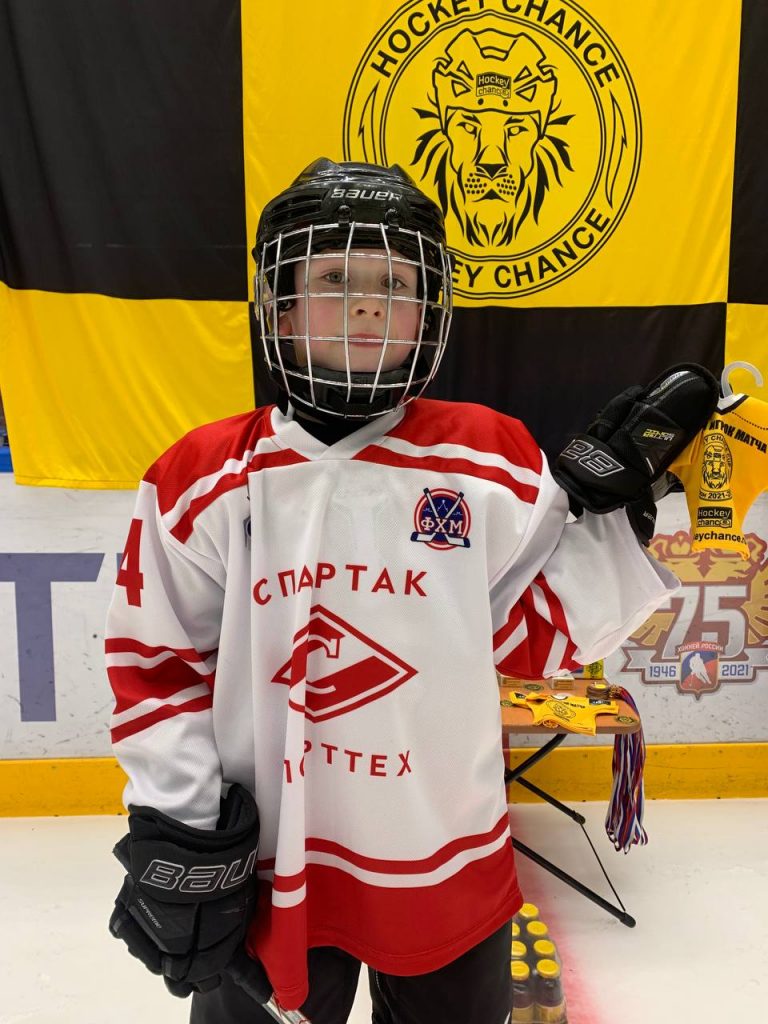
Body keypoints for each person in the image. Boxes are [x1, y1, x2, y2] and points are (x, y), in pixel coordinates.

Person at [105, 158, 717, 1024]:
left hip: (446, 853)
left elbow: (527, 641)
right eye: (333, 278)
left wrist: (621, 523)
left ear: (429, 311)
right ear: (278, 306)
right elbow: (156, 665)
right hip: (268, 861)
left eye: (394, 283)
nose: (367, 304)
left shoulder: (489, 456)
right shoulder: (204, 474)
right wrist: (185, 825)